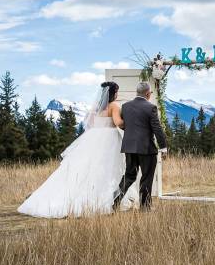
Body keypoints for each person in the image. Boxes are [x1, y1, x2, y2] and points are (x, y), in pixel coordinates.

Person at [19, 82, 136, 218]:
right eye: (116, 92)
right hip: (109, 140)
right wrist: (131, 124)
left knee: (86, 169)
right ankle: (102, 198)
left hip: (93, 139)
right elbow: (118, 123)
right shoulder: (113, 107)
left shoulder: (95, 109)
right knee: (107, 169)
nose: (117, 94)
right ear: (112, 94)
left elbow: (90, 125)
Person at [113, 82, 168, 211]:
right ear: (148, 94)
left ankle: (114, 202)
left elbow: (124, 125)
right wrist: (163, 147)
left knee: (129, 176)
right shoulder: (151, 108)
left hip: (129, 147)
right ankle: (145, 207)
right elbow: (157, 129)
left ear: (137, 92)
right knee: (146, 178)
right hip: (146, 149)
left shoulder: (125, 107)